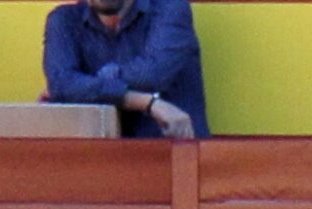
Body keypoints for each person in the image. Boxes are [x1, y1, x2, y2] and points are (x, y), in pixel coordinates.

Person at [41, 0, 201, 138]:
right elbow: (61, 84)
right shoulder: (64, 20)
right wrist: (147, 102)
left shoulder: (169, 9)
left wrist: (81, 85)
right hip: (97, 157)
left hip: (170, 152)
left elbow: (152, 75)